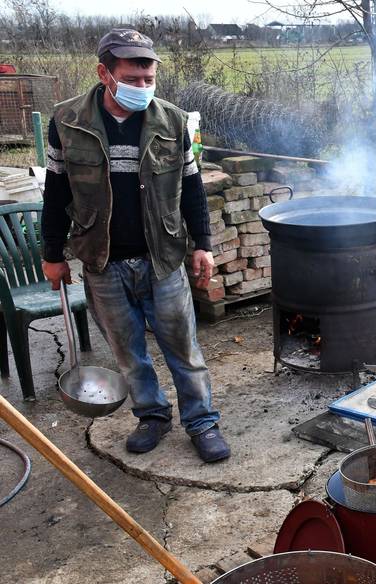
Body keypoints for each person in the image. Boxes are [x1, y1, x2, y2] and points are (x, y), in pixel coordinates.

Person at [41, 29, 231, 463]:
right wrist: (52, 255)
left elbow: (192, 188)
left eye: (149, 79)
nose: (142, 88)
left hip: (162, 258)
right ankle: (152, 416)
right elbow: (55, 192)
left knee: (184, 348)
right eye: (133, 79)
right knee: (129, 352)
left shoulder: (173, 121)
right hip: (102, 261)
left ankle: (202, 422)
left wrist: (202, 244)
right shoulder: (67, 122)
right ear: (104, 74)